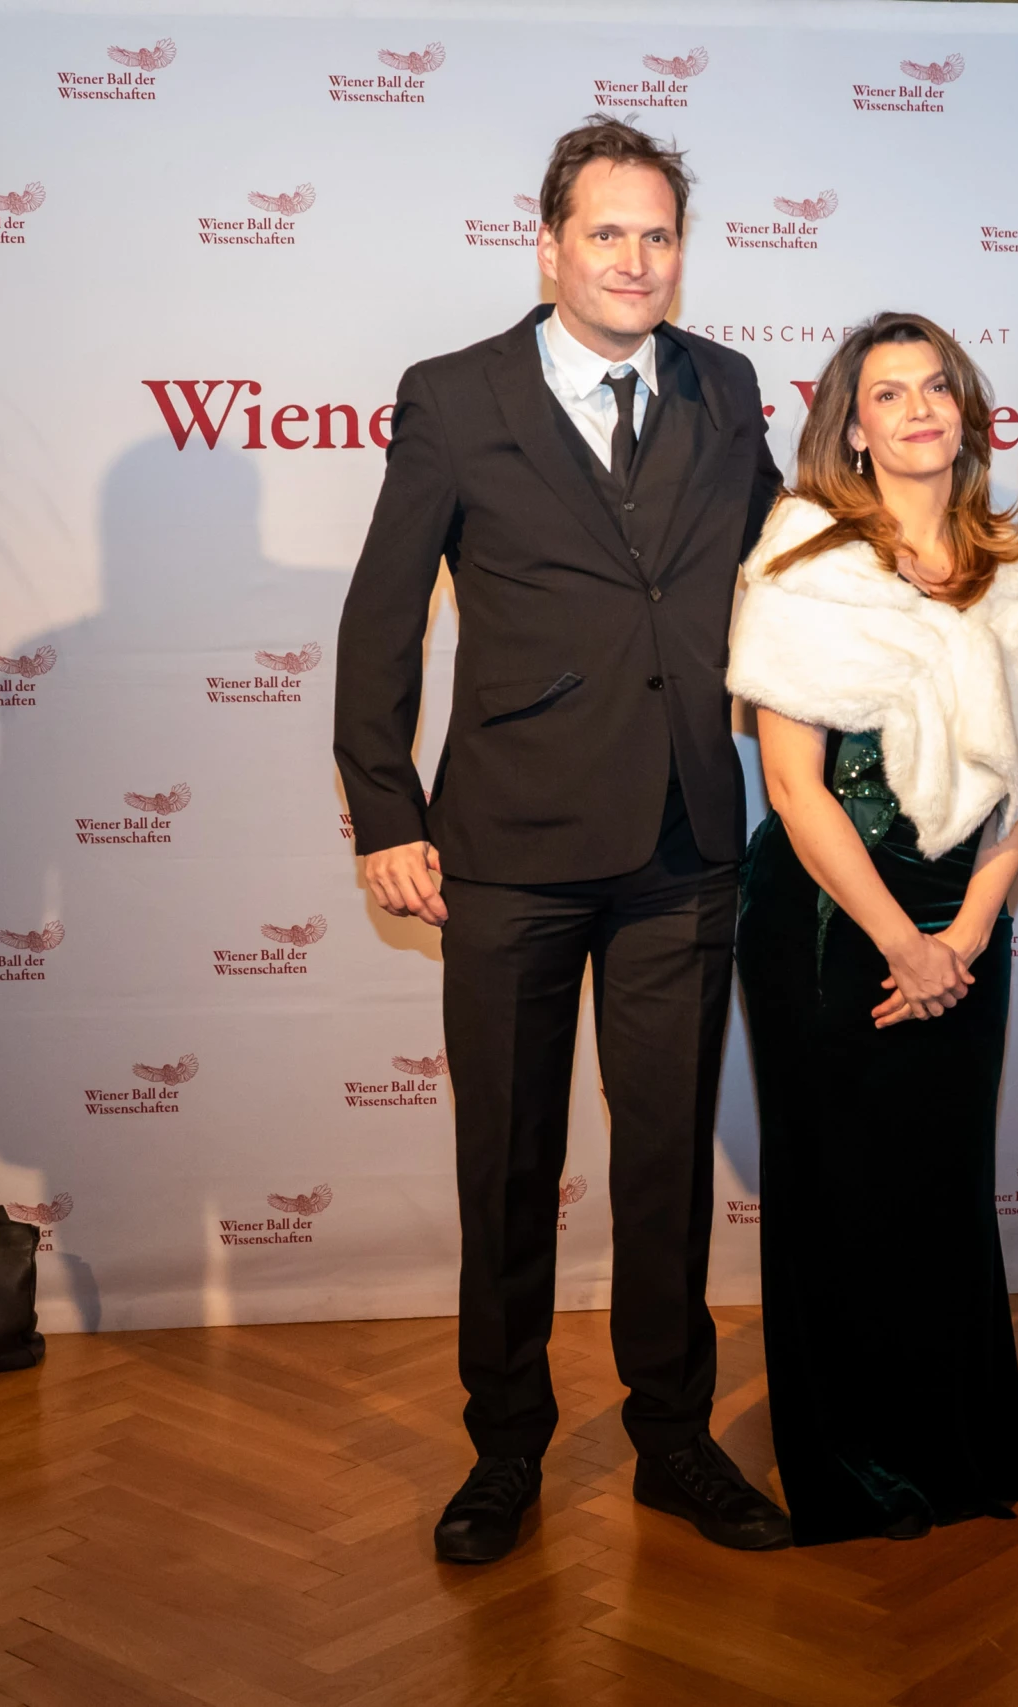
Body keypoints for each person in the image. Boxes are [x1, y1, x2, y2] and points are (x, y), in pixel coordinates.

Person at [334, 116, 790, 1565]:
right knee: (509, 1162)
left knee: (663, 1164)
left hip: (682, 842)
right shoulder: (454, 394)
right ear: (548, 246)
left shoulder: (726, 385)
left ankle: (674, 1440)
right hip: (509, 847)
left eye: (658, 235)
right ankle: (506, 1448)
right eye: (608, 233)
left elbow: (783, 567)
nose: (636, 260)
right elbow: (382, 614)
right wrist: (385, 811)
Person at [726, 312, 1018, 1544]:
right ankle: (852, 1467)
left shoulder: (1015, 565)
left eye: (937, 388)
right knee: (840, 1188)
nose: (918, 409)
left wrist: (964, 932)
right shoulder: (804, 559)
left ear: (967, 414)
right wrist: (901, 942)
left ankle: (961, 1449)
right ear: (851, 430)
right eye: (888, 394)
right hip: (828, 914)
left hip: (966, 915)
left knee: (943, 1181)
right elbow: (794, 786)